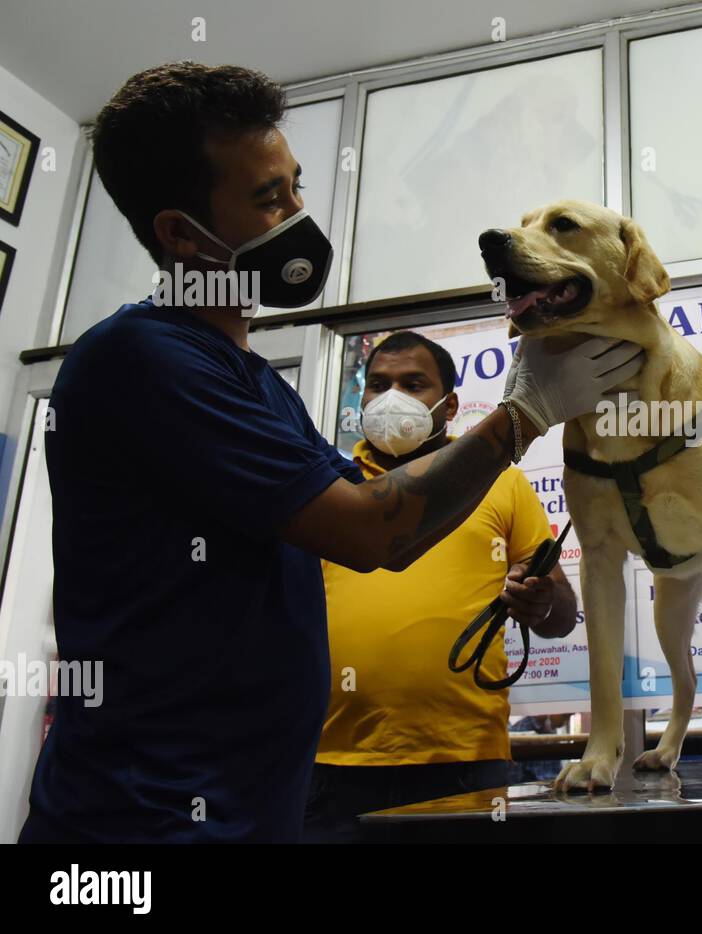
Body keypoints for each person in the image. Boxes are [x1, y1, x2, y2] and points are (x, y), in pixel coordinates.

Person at [19, 62, 642, 843]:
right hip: (139, 826)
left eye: (296, 186)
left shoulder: (253, 381)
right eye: (267, 198)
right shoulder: (143, 358)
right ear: (180, 233)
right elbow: (370, 530)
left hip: (251, 808)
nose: (297, 214)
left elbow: (379, 514)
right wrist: (525, 414)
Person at [304, 331, 577, 841]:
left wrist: (540, 598)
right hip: (328, 765)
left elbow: (561, 617)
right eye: (378, 384)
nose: (392, 398)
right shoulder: (327, 485)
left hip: (461, 763)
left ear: (449, 406)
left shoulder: (500, 482)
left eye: (414, 384)